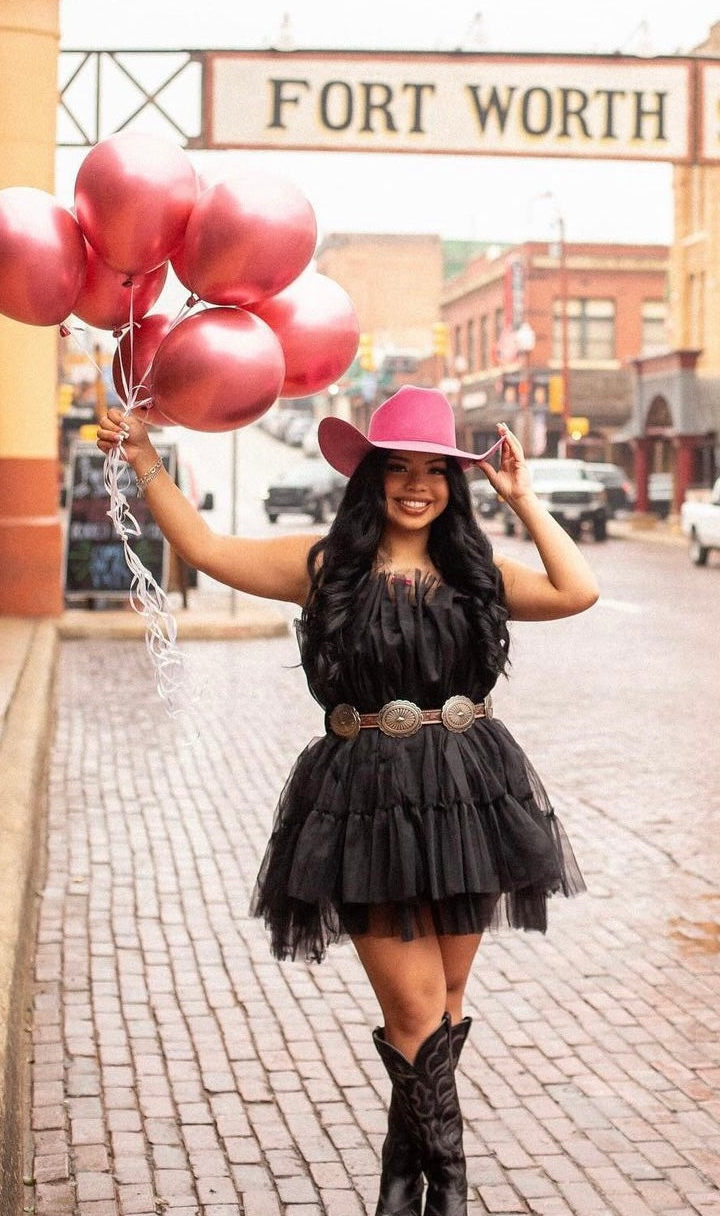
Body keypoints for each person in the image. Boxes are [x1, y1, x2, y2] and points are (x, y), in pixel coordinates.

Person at [96, 384, 598, 1216]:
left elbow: (576, 589)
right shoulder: (327, 565)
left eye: (434, 471)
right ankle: (451, 1194)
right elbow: (209, 548)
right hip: (365, 800)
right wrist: (147, 461)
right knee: (413, 1008)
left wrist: (525, 498)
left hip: (469, 799)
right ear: (370, 480)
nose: (415, 485)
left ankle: (402, 1187)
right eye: (397, 469)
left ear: (454, 483)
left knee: (443, 1005)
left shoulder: (476, 573)